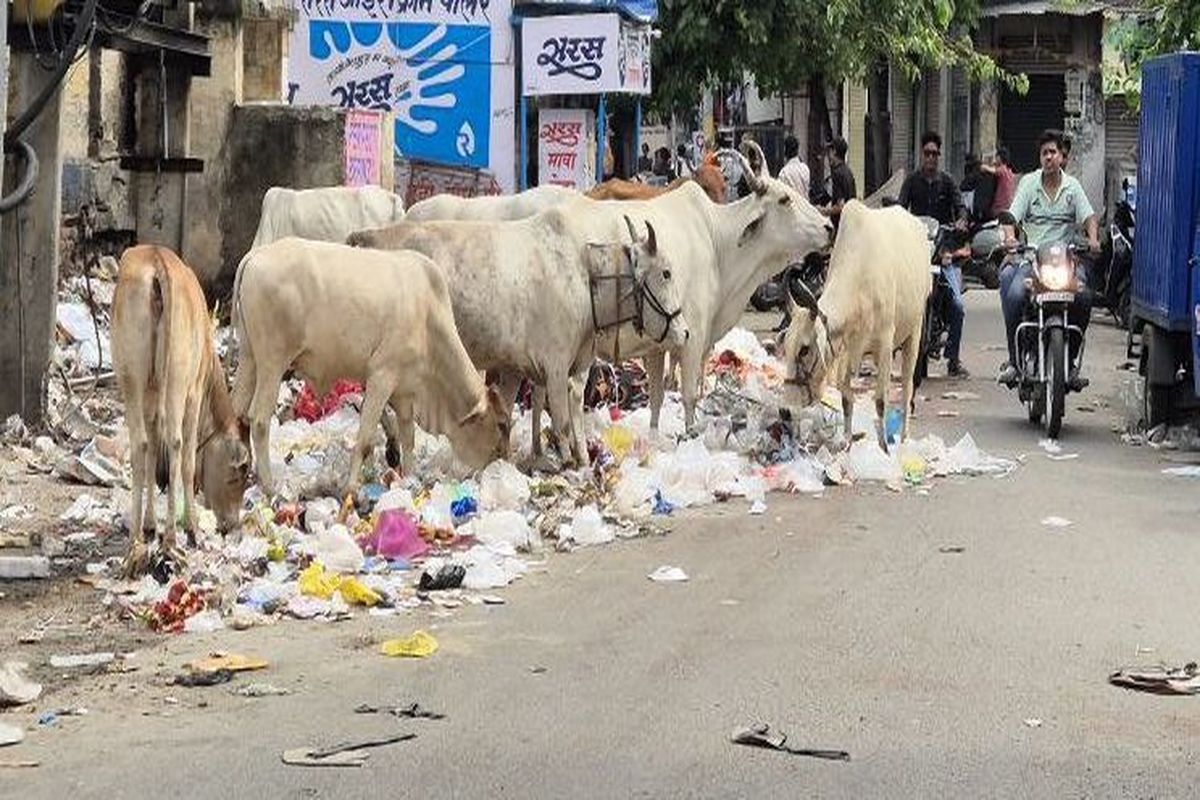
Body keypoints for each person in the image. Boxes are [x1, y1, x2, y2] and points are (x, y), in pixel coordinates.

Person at [997, 128, 1101, 388]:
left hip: (1066, 261)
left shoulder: (1072, 187)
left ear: (1061, 157)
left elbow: (1089, 217)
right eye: (1044, 153)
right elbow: (1011, 217)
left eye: (1053, 152)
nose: (1048, 157)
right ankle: (1014, 361)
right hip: (1032, 259)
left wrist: (1093, 239)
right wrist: (1010, 239)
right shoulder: (1029, 184)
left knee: (1085, 296)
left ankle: (1071, 362)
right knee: (1014, 296)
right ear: (1040, 157)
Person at [898, 131, 971, 378]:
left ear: (939, 156)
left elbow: (961, 206)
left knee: (958, 307)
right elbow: (900, 207)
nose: (931, 158)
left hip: (943, 253)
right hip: (916, 253)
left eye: (935, 154)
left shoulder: (948, 182)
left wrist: (961, 220)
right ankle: (892, 346)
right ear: (922, 155)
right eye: (927, 153)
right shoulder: (912, 181)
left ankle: (953, 359)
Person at [822, 136, 856, 222]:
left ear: (834, 151)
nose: (828, 156)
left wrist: (823, 211)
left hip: (840, 225)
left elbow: (840, 206)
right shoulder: (848, 171)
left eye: (829, 152)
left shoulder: (837, 174)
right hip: (850, 222)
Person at [960, 152, 996, 223]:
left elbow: (968, 182)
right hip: (984, 205)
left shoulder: (976, 169)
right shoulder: (983, 171)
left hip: (979, 201)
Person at [985, 146, 1016, 217]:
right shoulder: (1010, 172)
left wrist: (984, 166)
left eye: (996, 157)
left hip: (999, 207)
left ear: (999, 158)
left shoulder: (1002, 170)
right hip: (1009, 206)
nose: (995, 159)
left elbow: (993, 171)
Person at [778, 134, 810, 199]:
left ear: (785, 151)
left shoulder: (784, 173)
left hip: (791, 208)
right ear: (797, 150)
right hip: (805, 207)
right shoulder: (805, 168)